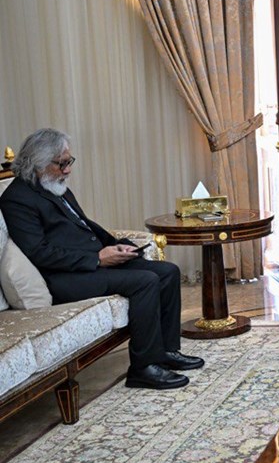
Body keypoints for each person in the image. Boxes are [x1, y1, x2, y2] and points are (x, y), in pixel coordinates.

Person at [0, 129, 203, 390]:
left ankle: (166, 351)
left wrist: (115, 245)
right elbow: (39, 252)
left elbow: (84, 225)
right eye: (62, 163)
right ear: (38, 163)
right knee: (145, 281)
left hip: (89, 264)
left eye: (69, 162)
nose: (67, 170)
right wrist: (96, 259)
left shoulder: (52, 185)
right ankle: (143, 368)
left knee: (168, 271)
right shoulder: (17, 199)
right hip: (64, 278)